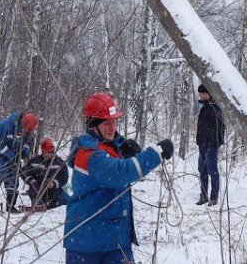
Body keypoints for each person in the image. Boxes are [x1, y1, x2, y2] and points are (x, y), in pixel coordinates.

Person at [63, 91, 173, 264]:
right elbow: (119, 174)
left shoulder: (107, 146)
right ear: (93, 125)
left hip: (114, 240)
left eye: (114, 122)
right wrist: (155, 154)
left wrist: (125, 148)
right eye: (107, 123)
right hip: (88, 244)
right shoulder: (88, 155)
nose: (112, 128)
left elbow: (118, 162)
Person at [0, 109, 39, 212]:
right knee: (0, 174)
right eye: (25, 129)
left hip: (14, 156)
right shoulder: (5, 125)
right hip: (0, 154)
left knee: (13, 179)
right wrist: (11, 154)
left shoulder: (28, 131)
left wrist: (24, 152)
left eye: (28, 131)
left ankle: (10, 206)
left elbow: (27, 144)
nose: (25, 132)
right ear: (21, 122)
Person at [194, 84, 225, 206]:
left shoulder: (214, 107)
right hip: (202, 143)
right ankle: (204, 196)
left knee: (212, 171)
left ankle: (214, 197)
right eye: (200, 93)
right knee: (202, 169)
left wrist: (216, 141)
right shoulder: (203, 106)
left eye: (201, 93)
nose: (200, 95)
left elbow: (221, 126)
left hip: (211, 144)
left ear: (207, 94)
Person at [22, 137, 67, 209]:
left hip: (53, 189)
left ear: (53, 151)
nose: (46, 155)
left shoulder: (59, 163)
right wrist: (31, 180)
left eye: (48, 152)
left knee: (66, 200)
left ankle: (53, 204)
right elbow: (24, 173)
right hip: (37, 188)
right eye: (44, 152)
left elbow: (64, 178)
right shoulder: (34, 161)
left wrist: (54, 183)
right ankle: (38, 205)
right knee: (34, 188)